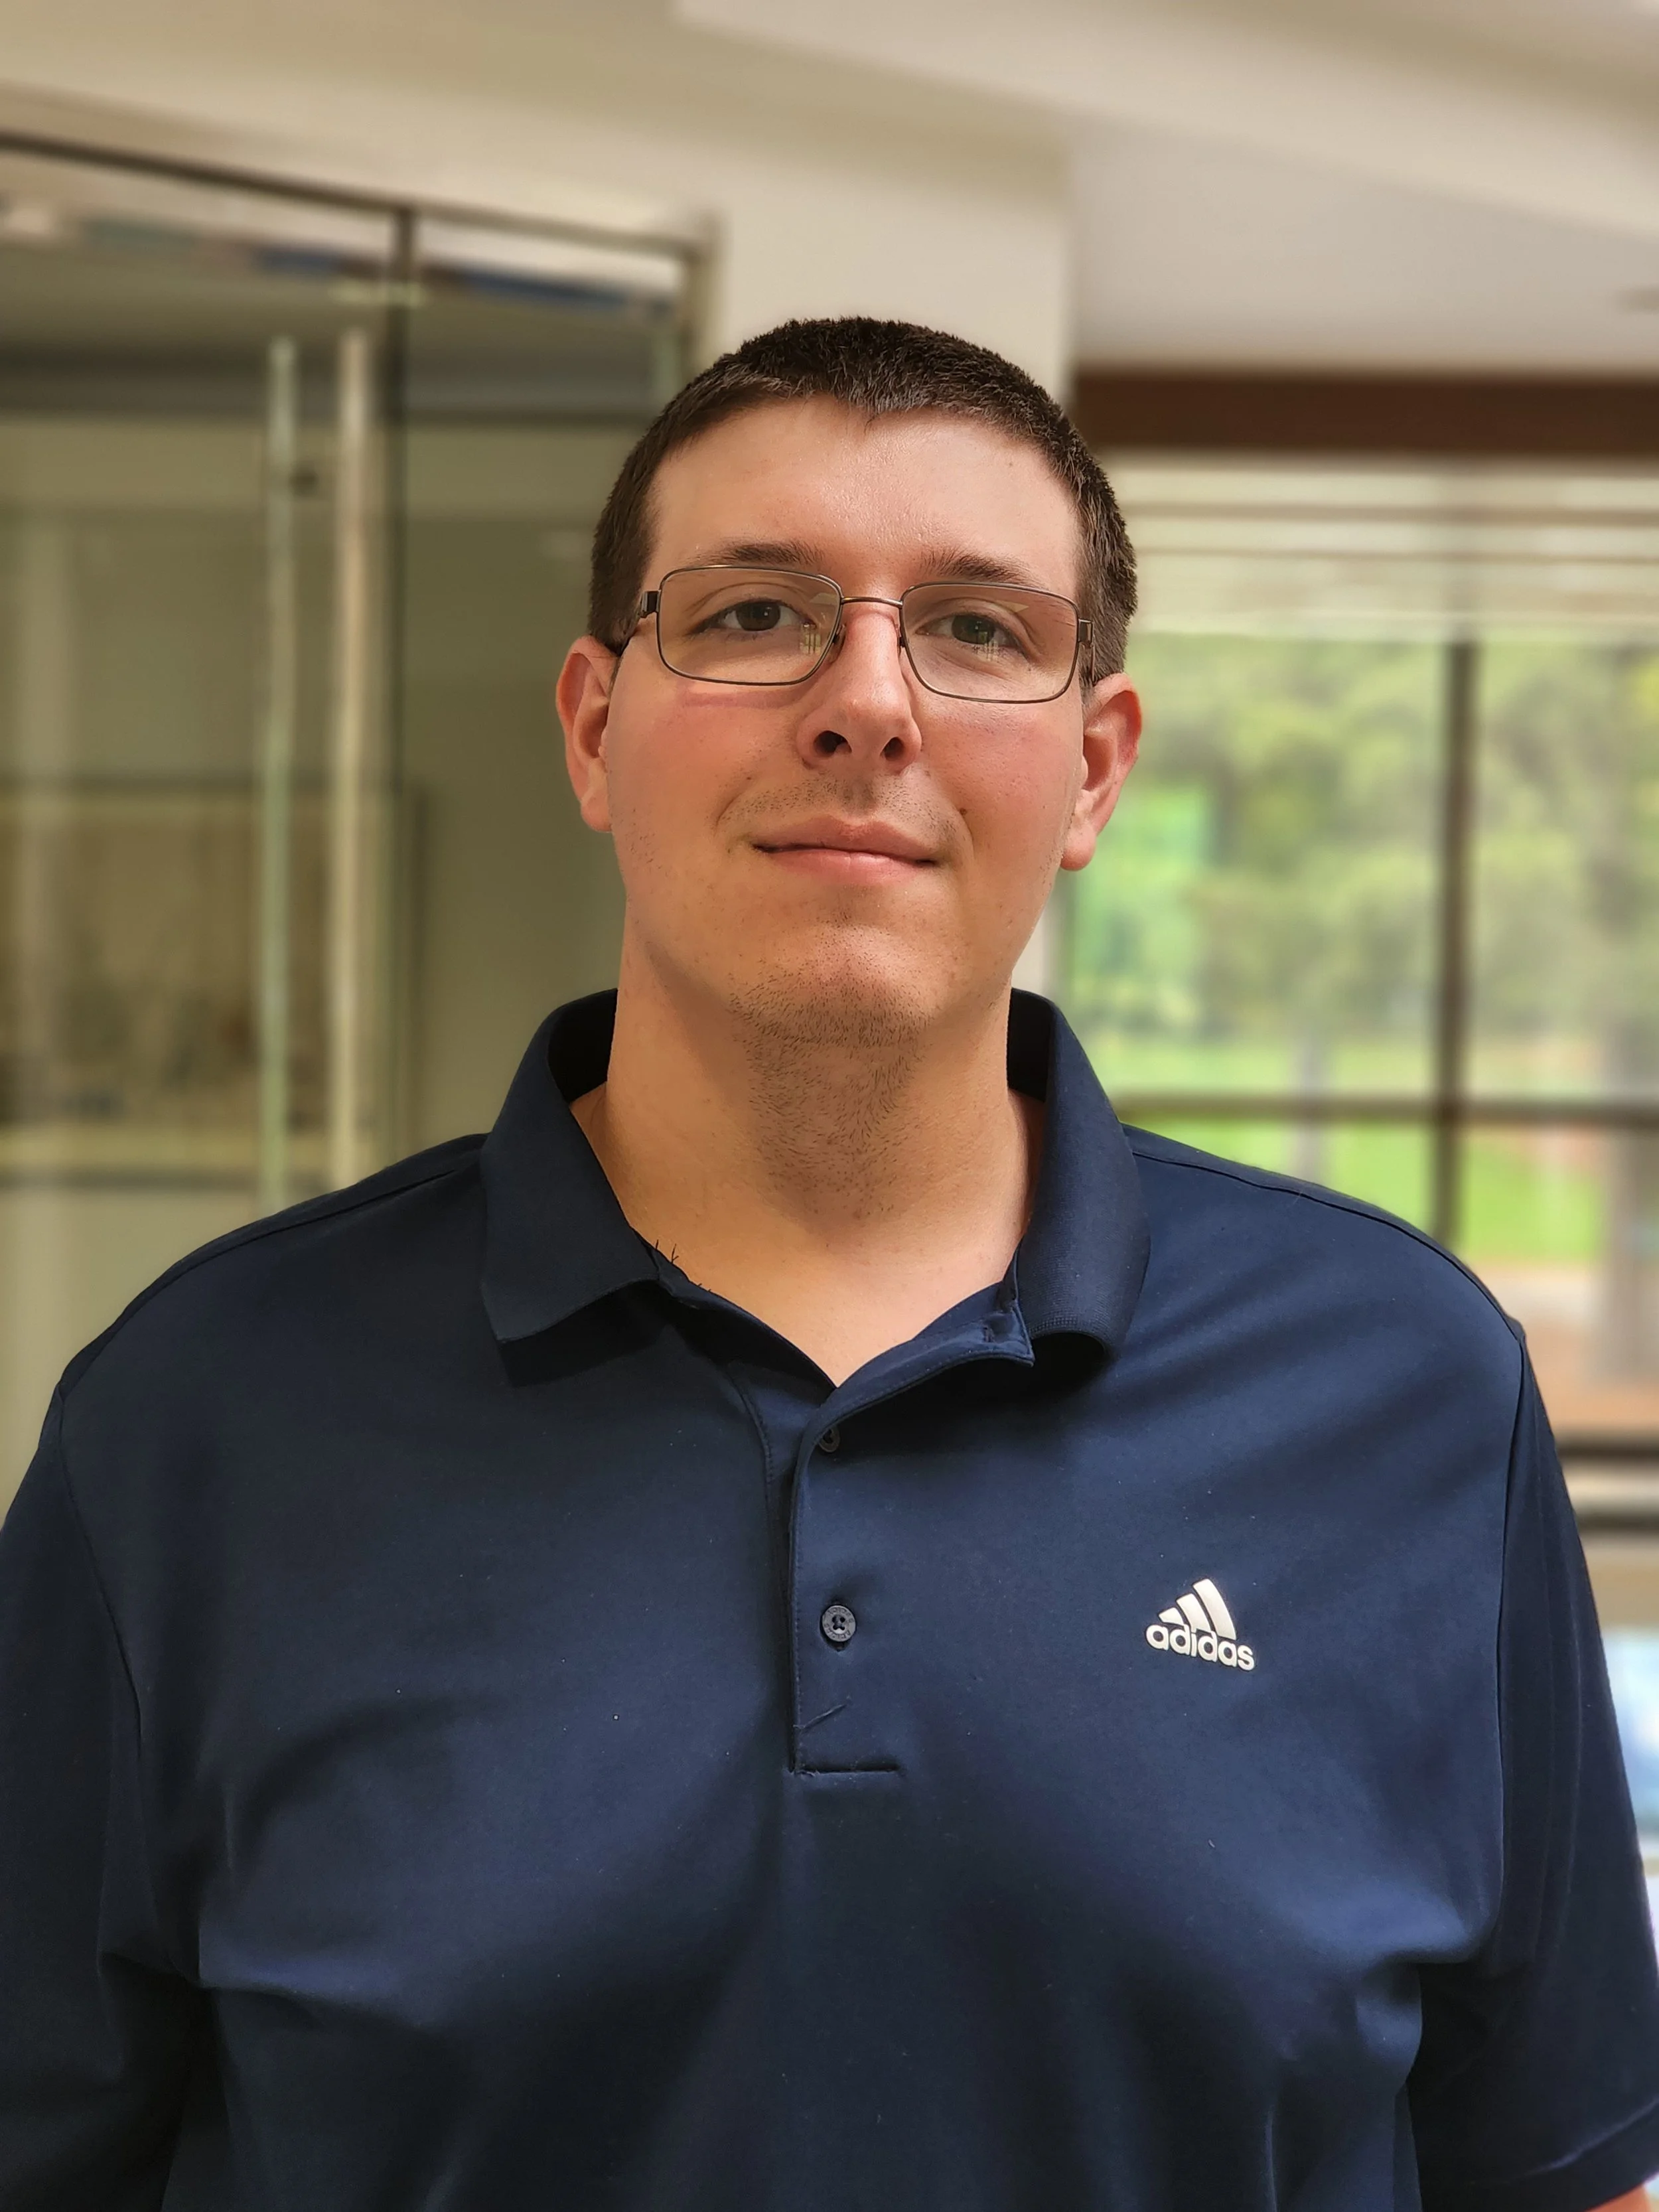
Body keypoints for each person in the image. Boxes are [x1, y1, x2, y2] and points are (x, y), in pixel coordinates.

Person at [0, 315, 1654, 2212]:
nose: (867, 705)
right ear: (592, 729)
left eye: (978, 629)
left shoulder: (1407, 1389)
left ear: (1095, 768)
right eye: (752, 614)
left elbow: (1567, 2178)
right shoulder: (201, 1414)